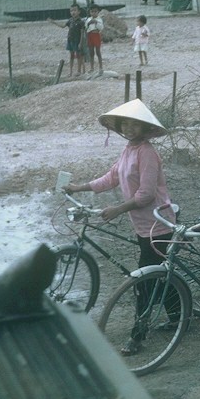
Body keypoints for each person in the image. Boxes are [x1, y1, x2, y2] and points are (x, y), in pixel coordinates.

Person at [62, 99, 177, 355]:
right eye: (125, 123)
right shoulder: (129, 150)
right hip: (142, 226)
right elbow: (111, 178)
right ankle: (179, 316)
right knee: (159, 272)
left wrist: (117, 210)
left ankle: (138, 336)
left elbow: (146, 195)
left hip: (159, 225)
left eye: (134, 124)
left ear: (144, 128)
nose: (128, 128)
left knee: (143, 282)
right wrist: (78, 187)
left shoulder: (147, 153)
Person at [48, 4, 85, 77]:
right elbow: (63, 26)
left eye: (75, 10)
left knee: (78, 56)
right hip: (70, 40)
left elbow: (82, 33)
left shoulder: (81, 22)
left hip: (77, 41)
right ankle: (70, 71)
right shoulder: (70, 20)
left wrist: (81, 43)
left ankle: (79, 71)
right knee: (71, 56)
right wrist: (54, 22)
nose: (73, 12)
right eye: (71, 11)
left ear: (79, 11)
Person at [85, 3, 104, 75]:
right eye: (92, 11)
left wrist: (96, 22)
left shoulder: (99, 19)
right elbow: (86, 28)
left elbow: (101, 28)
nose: (94, 13)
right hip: (90, 35)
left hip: (96, 35)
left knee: (98, 52)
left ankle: (100, 67)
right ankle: (92, 68)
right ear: (90, 12)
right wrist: (89, 23)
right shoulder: (88, 19)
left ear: (98, 12)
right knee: (91, 52)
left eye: (95, 11)